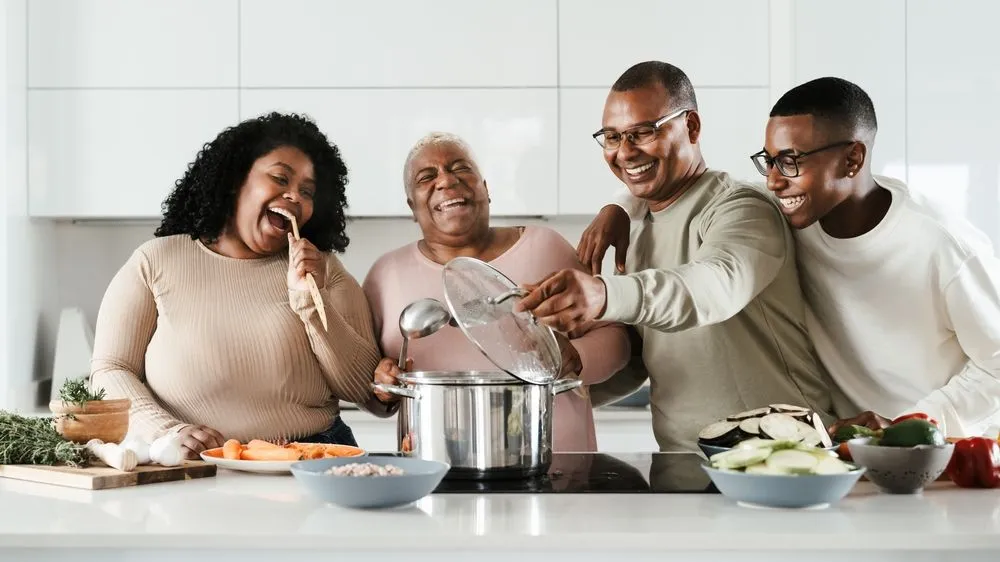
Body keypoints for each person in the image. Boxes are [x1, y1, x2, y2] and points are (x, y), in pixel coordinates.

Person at [588, 76, 1000, 439]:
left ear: (852, 160)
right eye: (769, 160)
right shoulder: (791, 210)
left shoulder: (943, 244)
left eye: (790, 162)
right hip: (846, 449)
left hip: (938, 454)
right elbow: (667, 184)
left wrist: (913, 423)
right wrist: (620, 206)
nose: (772, 180)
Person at [514, 61, 836, 453]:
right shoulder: (634, 229)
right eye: (612, 137)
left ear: (692, 127)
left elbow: (712, 287)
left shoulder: (741, 208)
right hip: (685, 462)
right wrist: (565, 373)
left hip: (784, 456)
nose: (625, 152)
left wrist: (603, 294)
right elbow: (646, 358)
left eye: (643, 133)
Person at [89, 112, 391, 458]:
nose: (294, 196)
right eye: (281, 178)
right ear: (235, 180)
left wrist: (310, 298)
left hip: (313, 458)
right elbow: (109, 370)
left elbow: (360, 386)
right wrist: (167, 432)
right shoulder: (154, 262)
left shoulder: (323, 269)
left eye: (307, 191)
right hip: (191, 463)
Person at [362, 132, 631, 452]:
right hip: (434, 466)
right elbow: (372, 384)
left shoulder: (546, 247)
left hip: (555, 461)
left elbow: (617, 340)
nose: (446, 181)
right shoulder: (385, 275)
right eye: (427, 176)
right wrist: (383, 383)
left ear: (486, 189)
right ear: (412, 206)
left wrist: (574, 358)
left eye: (461, 169)